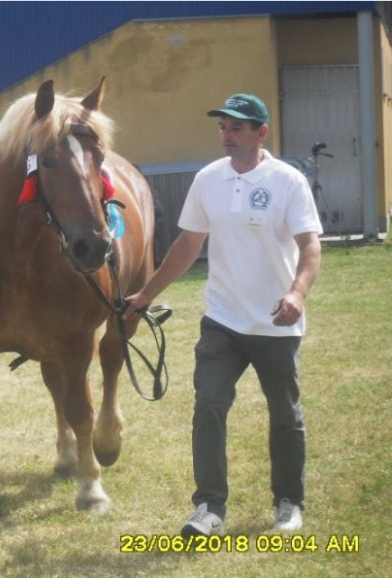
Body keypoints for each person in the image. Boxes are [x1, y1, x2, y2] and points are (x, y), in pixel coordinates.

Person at [126, 94, 322, 536]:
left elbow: (310, 246)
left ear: (261, 133)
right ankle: (209, 508)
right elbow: (187, 245)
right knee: (209, 405)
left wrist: (297, 292)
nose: (226, 135)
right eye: (222, 127)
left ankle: (288, 502)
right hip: (223, 320)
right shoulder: (208, 179)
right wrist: (144, 295)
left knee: (284, 413)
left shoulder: (288, 181)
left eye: (237, 127)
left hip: (276, 322)